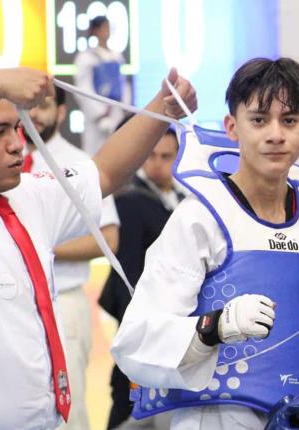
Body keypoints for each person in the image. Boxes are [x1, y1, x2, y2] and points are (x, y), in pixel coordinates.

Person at [111, 57, 299, 429]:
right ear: (232, 127)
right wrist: (215, 326)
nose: (275, 134)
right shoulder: (200, 218)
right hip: (216, 418)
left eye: (289, 120)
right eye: (259, 120)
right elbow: (135, 340)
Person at [0, 61, 196, 430]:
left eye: (16, 126)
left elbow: (105, 172)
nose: (17, 143)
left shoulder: (29, 194)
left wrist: (161, 108)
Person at [25, 87, 122, 430]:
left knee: (69, 410)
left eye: (44, 106)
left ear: (62, 113)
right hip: (10, 307)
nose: (34, 113)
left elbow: (108, 238)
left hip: (62, 302)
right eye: (27, 106)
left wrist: (38, 246)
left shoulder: (78, 164)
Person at [99, 127, 185, 430]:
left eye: (166, 156)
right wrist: (137, 329)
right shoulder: (130, 201)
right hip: (143, 325)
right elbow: (127, 273)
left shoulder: (182, 198)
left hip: (175, 325)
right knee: (128, 405)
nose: (157, 163)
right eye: (151, 155)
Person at [74, 15, 132, 155]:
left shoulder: (116, 56)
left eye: (107, 28)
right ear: (95, 31)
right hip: (98, 117)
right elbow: (83, 89)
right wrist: (100, 114)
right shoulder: (86, 58)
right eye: (102, 28)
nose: (106, 32)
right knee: (95, 154)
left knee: (119, 153)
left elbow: (123, 84)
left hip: (117, 112)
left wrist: (125, 107)